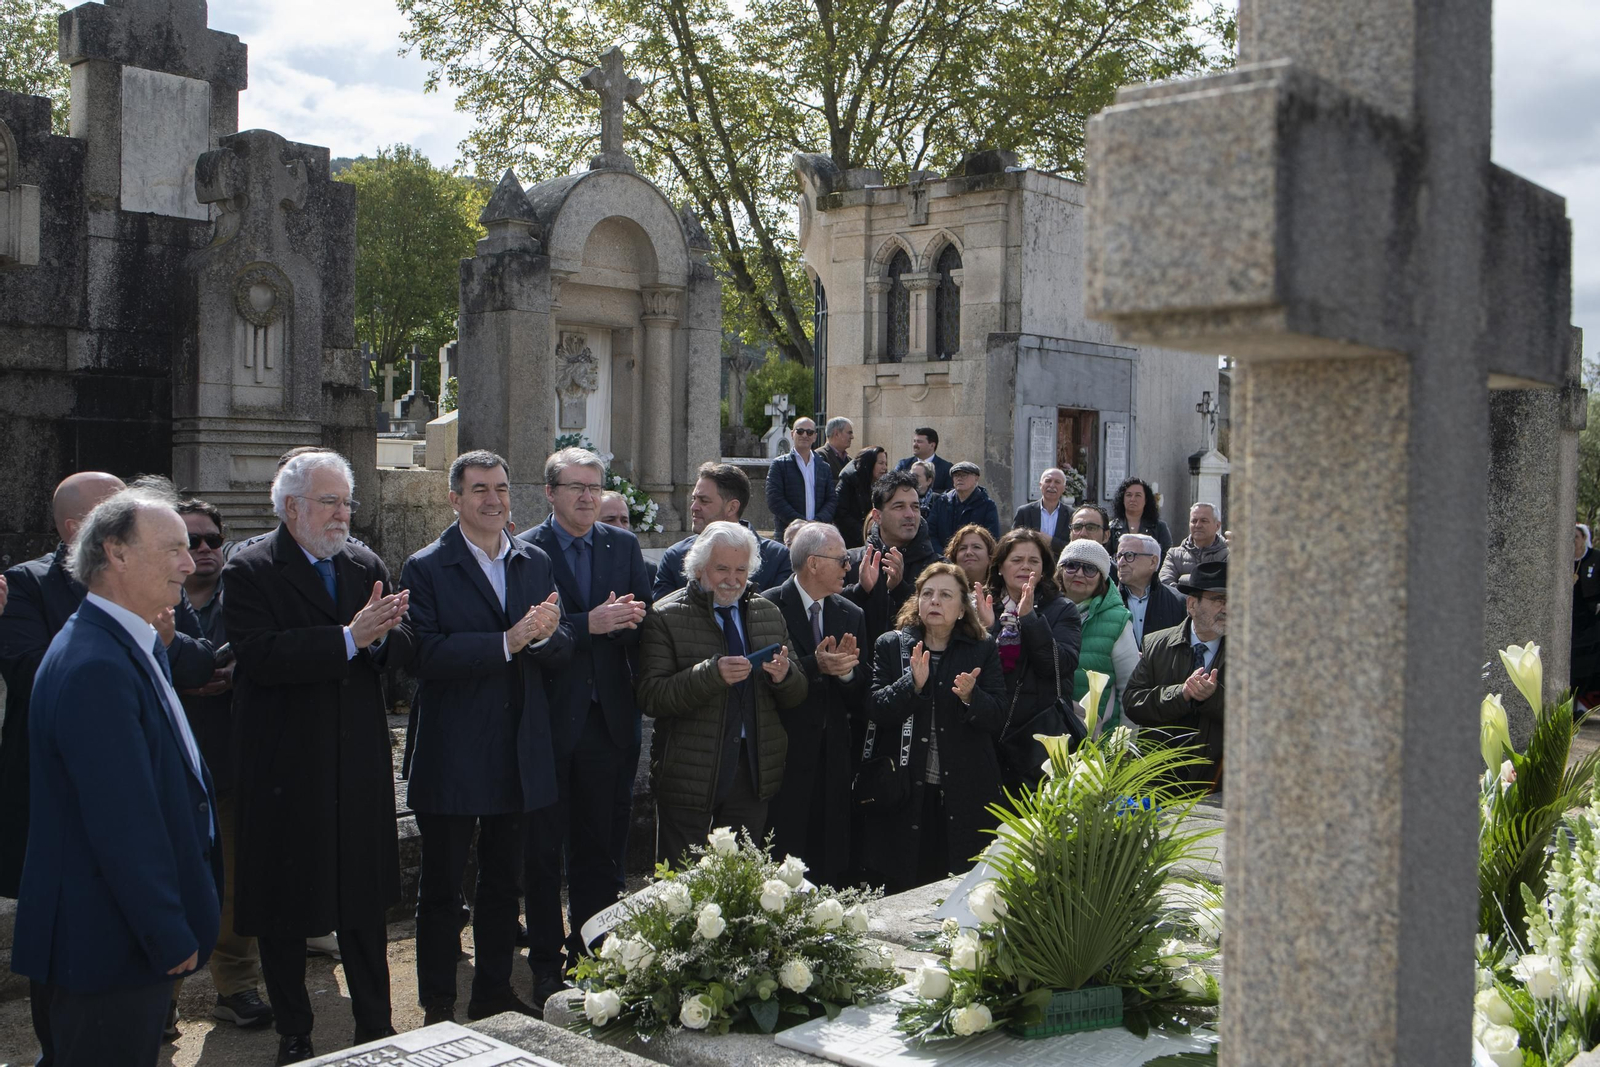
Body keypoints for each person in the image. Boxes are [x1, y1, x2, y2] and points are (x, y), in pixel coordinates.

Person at [12, 485, 221, 1067]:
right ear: (116, 554)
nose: (190, 562)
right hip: (108, 944)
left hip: (112, 938)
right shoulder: (96, 664)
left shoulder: (132, 641)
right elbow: (122, 821)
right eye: (173, 548)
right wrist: (166, 932)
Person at [223, 450, 414, 1063]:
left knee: (361, 902)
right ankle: (295, 1033)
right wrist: (348, 639)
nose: (343, 514)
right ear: (291, 507)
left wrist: (381, 639)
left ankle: (375, 1026)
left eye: (347, 501)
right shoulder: (251, 567)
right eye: (330, 502)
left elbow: (396, 643)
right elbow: (259, 655)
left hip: (355, 758)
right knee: (284, 905)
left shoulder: (362, 561)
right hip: (287, 762)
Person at [403, 451, 572, 1024]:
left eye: (501, 488)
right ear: (455, 500)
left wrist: (547, 638)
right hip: (454, 749)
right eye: (479, 490)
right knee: (442, 890)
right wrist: (508, 640)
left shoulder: (535, 561)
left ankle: (494, 991)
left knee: (504, 883)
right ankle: (439, 1003)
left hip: (518, 749)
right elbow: (423, 654)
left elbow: (560, 643)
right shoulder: (426, 567)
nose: (494, 500)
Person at [1, 473, 215, 911]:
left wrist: (168, 642)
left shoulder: (160, 587)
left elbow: (203, 662)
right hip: (61, 797)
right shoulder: (31, 586)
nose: (189, 563)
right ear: (82, 530)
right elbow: (34, 673)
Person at [522, 447, 653, 1005]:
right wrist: (590, 622)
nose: (587, 497)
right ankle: (546, 964)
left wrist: (625, 622)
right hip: (549, 722)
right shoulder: (526, 551)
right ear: (550, 492)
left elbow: (641, 619)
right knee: (544, 852)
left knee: (600, 851)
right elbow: (530, 633)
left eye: (594, 487)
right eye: (575, 487)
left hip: (608, 722)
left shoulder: (621, 545)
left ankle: (595, 956)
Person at [637, 521, 807, 863]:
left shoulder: (767, 612)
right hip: (690, 772)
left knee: (742, 884)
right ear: (698, 568)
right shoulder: (665, 616)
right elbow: (650, 695)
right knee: (681, 888)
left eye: (741, 569)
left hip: (752, 769)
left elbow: (798, 693)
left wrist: (785, 675)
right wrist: (710, 675)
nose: (733, 578)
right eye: (722, 568)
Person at [173, 499, 273, 1030]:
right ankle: (161, 1003)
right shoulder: (152, 597)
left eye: (213, 539)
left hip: (233, 760)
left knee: (235, 883)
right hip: (170, 765)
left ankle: (235, 987)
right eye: (191, 542)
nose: (205, 551)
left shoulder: (244, 592)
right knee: (168, 880)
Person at [864, 562, 1005, 892]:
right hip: (906, 790)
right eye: (927, 594)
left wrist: (972, 696)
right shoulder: (892, 644)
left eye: (945, 595)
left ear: (960, 610)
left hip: (963, 791)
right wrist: (910, 684)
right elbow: (875, 709)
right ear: (917, 601)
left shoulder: (982, 648)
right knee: (905, 883)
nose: (935, 602)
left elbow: (997, 717)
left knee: (955, 886)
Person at [761, 523, 868, 887]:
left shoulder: (851, 614)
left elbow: (861, 693)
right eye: (841, 560)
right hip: (784, 753)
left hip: (832, 755)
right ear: (813, 564)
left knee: (829, 857)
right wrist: (815, 665)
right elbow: (766, 675)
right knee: (782, 856)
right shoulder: (768, 605)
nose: (847, 568)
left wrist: (847, 673)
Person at [975, 530, 1082, 790]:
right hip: (989, 732)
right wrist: (989, 630)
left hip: (1040, 739)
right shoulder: (981, 607)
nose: (1025, 566)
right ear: (1000, 566)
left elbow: (1059, 665)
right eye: (1016, 560)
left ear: (1044, 569)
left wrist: (1030, 619)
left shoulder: (1062, 609)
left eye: (1033, 561)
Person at [1124, 562, 1228, 792]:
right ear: (1192, 604)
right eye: (1218, 599)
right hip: (1158, 781)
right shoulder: (1156, 644)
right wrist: (1181, 694)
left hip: (1216, 784)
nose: (1227, 608)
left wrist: (1212, 697)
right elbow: (1133, 703)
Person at [655, 463, 791, 599]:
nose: (694, 507)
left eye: (704, 501)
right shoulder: (676, 556)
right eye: (694, 499)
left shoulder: (776, 558)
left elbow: (777, 615)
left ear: (732, 508)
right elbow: (660, 615)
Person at [844, 470, 944, 644]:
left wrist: (900, 590)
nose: (910, 515)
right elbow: (830, 618)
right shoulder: (849, 563)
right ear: (877, 516)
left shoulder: (939, 568)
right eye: (899, 507)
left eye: (915, 506)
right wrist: (860, 591)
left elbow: (943, 627)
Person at [1055, 540, 1138, 733]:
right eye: (1072, 566)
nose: (1079, 574)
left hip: (1097, 738)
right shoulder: (1041, 610)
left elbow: (1129, 688)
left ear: (1102, 577)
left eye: (1090, 569)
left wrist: (1126, 744)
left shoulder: (1118, 620)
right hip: (1045, 732)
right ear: (1059, 571)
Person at [766, 415, 839, 541]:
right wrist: (801, 524)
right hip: (788, 536)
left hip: (818, 535)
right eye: (800, 431)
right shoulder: (779, 465)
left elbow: (831, 500)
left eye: (809, 432)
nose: (805, 435)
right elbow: (774, 500)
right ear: (792, 434)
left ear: (815, 436)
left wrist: (817, 522)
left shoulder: (824, 467)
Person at [1116, 533, 1186, 648]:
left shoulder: (1178, 602)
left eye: (1129, 556)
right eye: (1119, 556)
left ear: (1153, 562)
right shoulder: (1107, 601)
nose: (1121, 563)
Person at [925, 461, 1001, 548]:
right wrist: (943, 556)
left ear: (976, 478)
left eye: (964, 475)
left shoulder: (987, 505)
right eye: (956, 475)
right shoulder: (942, 502)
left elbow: (992, 538)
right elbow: (930, 533)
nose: (959, 478)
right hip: (943, 557)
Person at [1159, 502, 1229, 587]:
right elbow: (1165, 585)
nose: (1198, 525)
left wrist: (1183, 580)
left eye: (1204, 521)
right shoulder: (1174, 555)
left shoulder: (1227, 555)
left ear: (1217, 526)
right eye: (1194, 521)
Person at [598, 490, 656, 588]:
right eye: (610, 520)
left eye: (624, 521)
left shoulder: (647, 569)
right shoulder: (583, 564)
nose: (619, 527)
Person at [834, 446, 888, 549]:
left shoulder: (882, 485)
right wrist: (864, 532)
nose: (884, 468)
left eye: (885, 463)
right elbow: (840, 514)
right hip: (851, 543)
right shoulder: (848, 482)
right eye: (880, 463)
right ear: (869, 464)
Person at [1011, 468, 1072, 559]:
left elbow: (1073, 546)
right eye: (1048, 481)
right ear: (1040, 485)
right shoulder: (1024, 512)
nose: (1052, 485)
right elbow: (1013, 541)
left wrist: (1051, 541)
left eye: (1057, 482)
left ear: (1063, 488)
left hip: (1060, 566)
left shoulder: (1071, 515)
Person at [1107, 477, 1173, 559]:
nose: (1132, 499)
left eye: (1138, 495)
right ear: (1122, 499)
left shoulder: (1159, 527)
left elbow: (1167, 557)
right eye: (1128, 495)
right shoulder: (1112, 527)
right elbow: (1107, 557)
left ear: (1146, 500)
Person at [1575, 524, 1600, 701]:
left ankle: (1585, 700)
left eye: (1576, 537)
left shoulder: (1595, 558)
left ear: (1584, 538)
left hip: (1592, 617)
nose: (1573, 541)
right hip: (1571, 617)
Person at [894, 426, 952, 494]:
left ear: (932, 445)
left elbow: (949, 494)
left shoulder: (946, 468)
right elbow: (892, 485)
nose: (915, 445)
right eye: (914, 441)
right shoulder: (903, 465)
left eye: (919, 442)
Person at [946, 524, 997, 590]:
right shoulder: (944, 590)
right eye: (963, 548)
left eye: (976, 547)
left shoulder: (1003, 594)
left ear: (990, 556)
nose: (968, 552)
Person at [819, 417, 854, 482]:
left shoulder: (850, 460)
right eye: (849, 433)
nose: (852, 437)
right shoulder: (819, 456)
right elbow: (821, 483)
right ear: (837, 434)